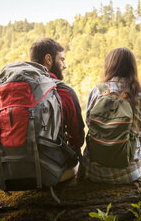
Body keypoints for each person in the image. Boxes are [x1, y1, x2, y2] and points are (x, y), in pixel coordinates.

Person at [82, 47, 141, 184]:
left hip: (94, 171)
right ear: (133, 68)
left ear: (109, 66)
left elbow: (89, 124)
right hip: (130, 172)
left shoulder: (97, 91)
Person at [30, 37, 85, 181]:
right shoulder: (63, 91)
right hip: (48, 171)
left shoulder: (17, 88)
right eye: (62, 60)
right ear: (48, 59)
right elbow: (77, 138)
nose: (64, 65)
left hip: (11, 170)